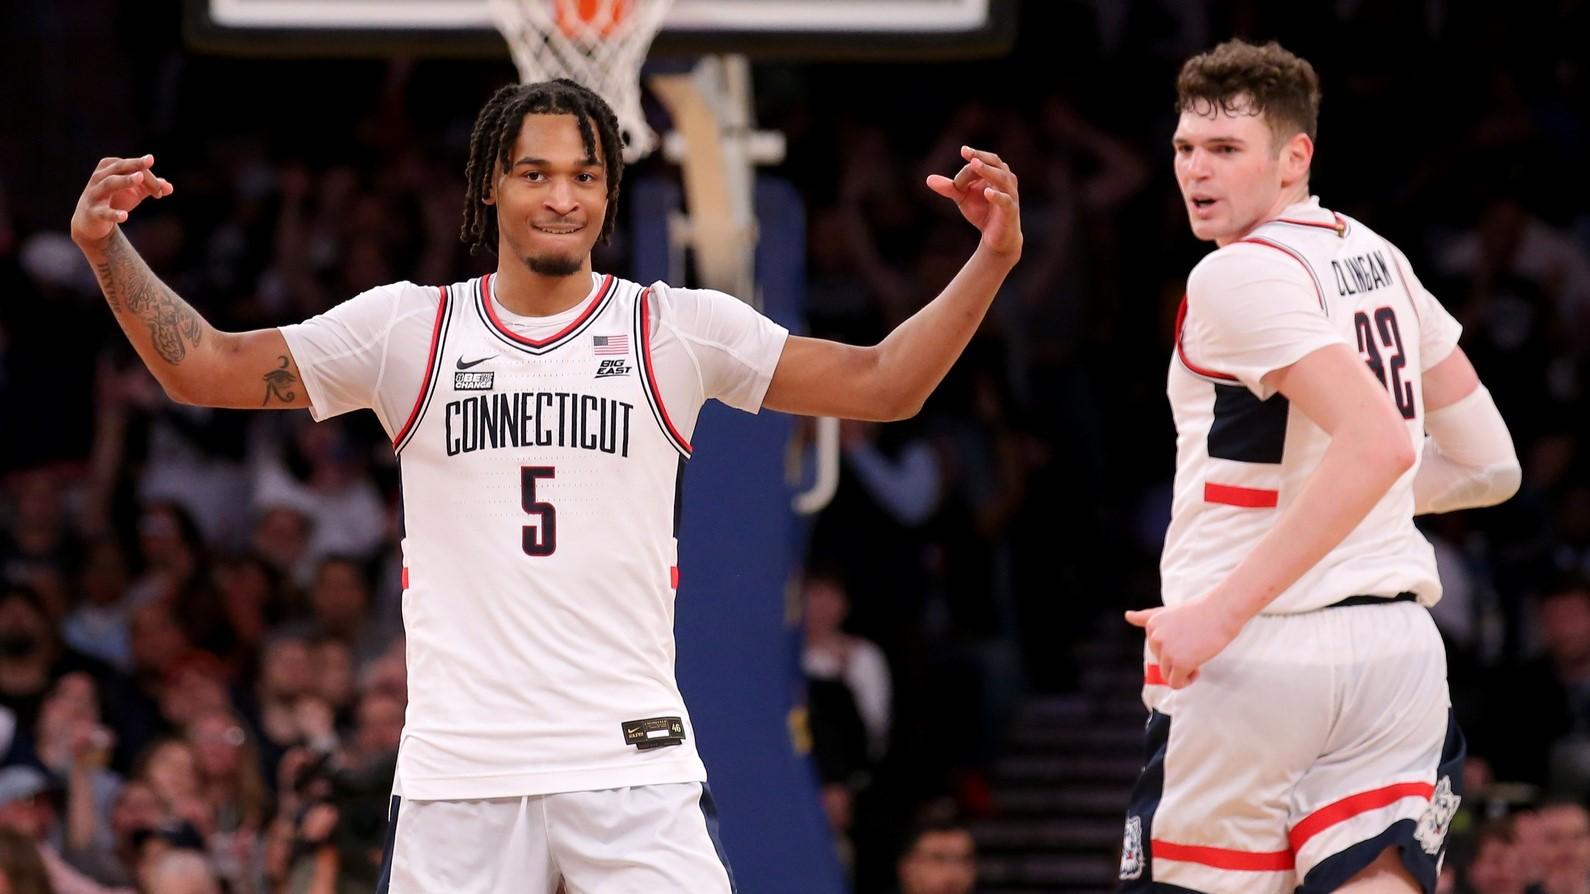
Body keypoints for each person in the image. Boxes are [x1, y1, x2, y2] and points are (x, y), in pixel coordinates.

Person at [69, 78, 1021, 892]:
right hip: (462, 771)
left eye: (584, 175)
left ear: (609, 190)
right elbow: (207, 369)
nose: (561, 197)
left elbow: (884, 385)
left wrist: (992, 258)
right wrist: (111, 253)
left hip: (631, 760)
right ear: (491, 183)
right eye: (535, 173)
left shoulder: (675, 329)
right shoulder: (410, 330)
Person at [1120, 39, 1521, 892]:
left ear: (1294, 156)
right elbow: (1490, 467)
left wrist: (1217, 615)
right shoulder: (1380, 257)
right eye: (1187, 148)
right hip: (1398, 654)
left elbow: (1376, 443)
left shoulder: (1235, 275)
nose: (1198, 170)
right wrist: (1355, 508)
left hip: (1258, 654)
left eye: (1227, 150)